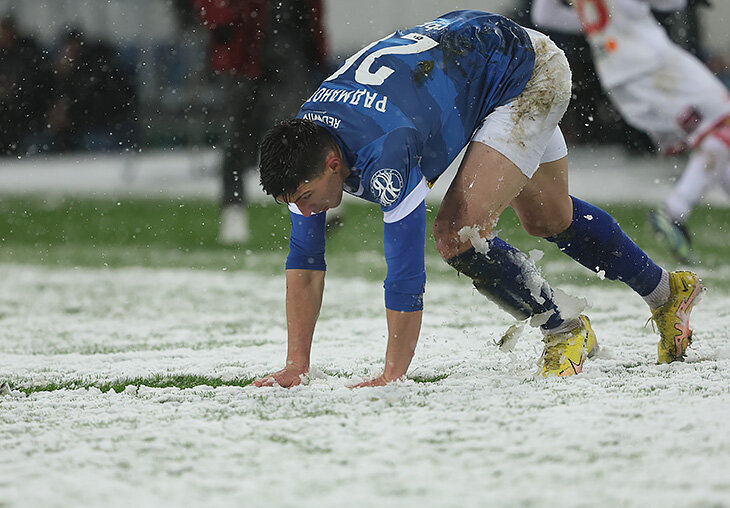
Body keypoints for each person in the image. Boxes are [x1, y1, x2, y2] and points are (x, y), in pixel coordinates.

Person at [254, 10, 703, 388]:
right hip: (482, 61)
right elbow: (306, 260)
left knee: (456, 234)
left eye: (308, 199)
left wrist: (392, 375)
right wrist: (296, 365)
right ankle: (668, 292)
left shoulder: (384, 151)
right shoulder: (305, 148)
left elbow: (406, 272)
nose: (307, 211)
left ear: (334, 164)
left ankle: (563, 327)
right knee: (550, 218)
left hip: (525, 74)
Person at [531, 0, 730, 263]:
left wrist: (604, 28)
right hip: (652, 60)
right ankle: (674, 210)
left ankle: (677, 209)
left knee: (713, 139)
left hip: (616, 74)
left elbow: (544, 14)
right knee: (721, 126)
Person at [193, 0, 327, 244]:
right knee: (237, 135)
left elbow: (312, 10)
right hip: (244, 44)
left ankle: (314, 201)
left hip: (285, 40)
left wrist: (317, 46)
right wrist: (219, 20)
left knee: (297, 127)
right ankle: (234, 213)